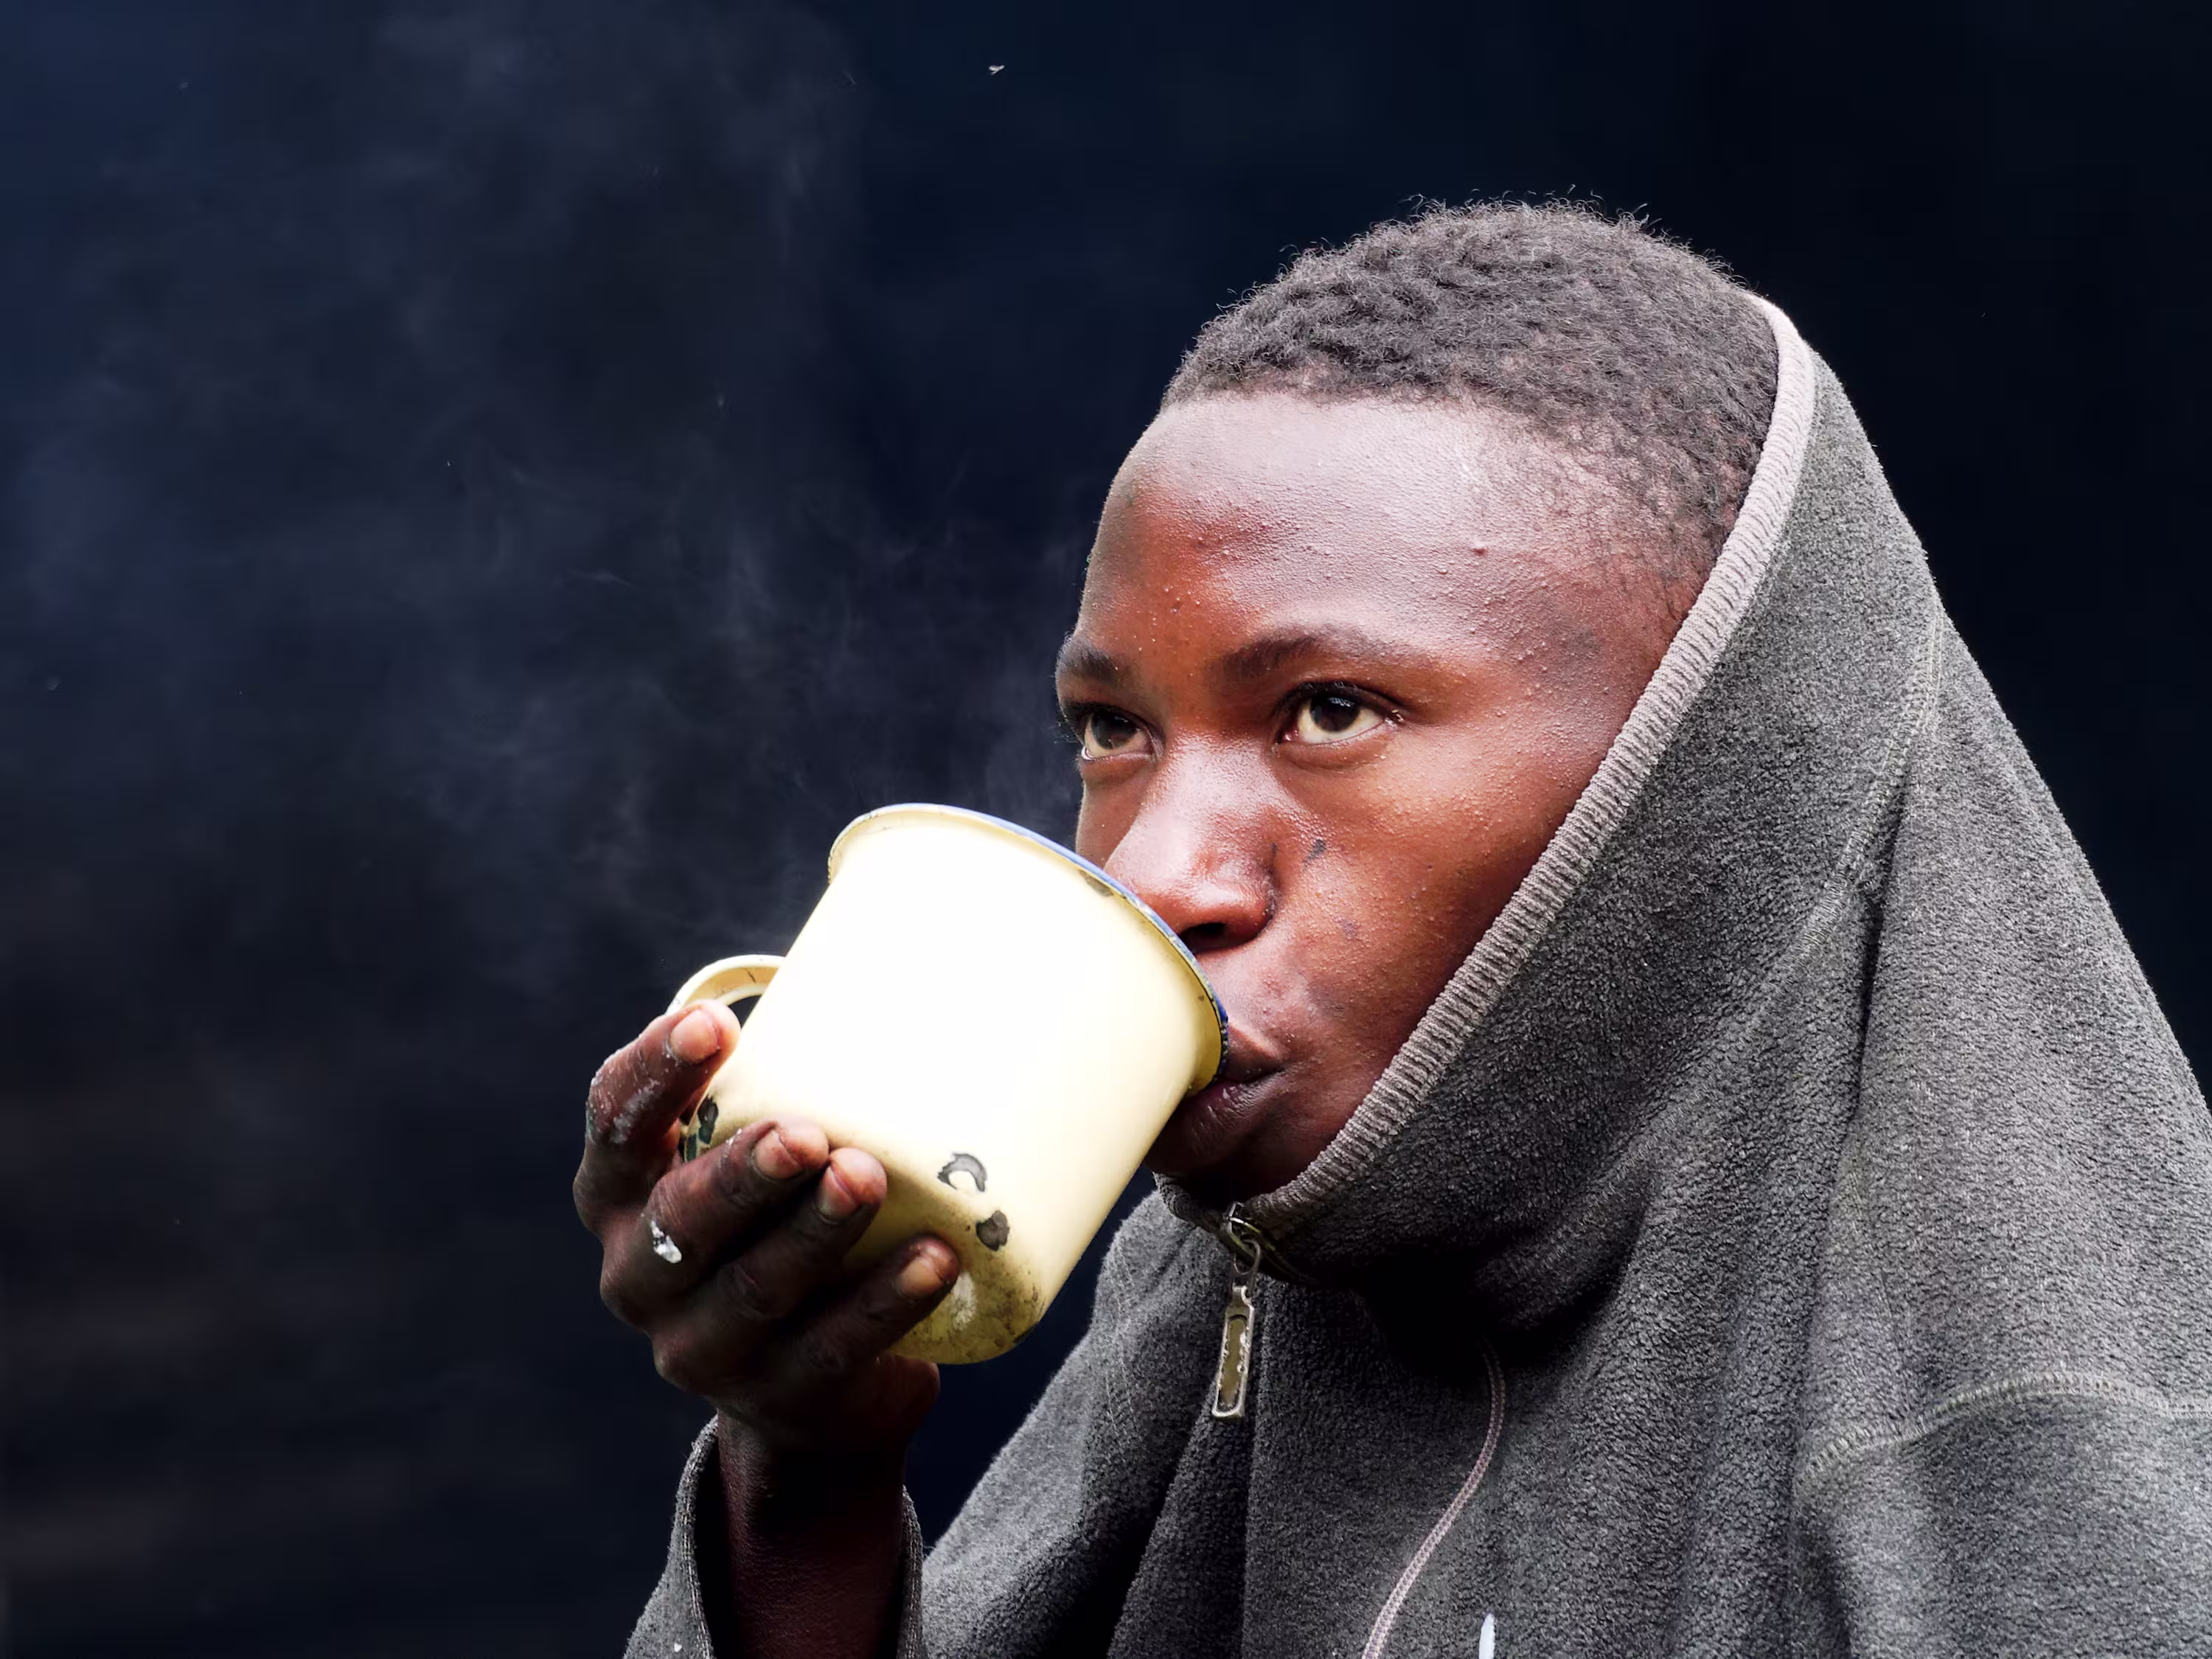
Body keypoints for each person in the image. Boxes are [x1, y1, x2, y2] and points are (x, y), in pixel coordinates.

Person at [574, 204, 2212, 1658]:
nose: (1160, 875)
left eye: (1331, 710)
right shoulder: (1237, 1287)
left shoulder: (2045, 1486)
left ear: (1701, 777)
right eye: (1115, 730)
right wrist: (808, 1474)